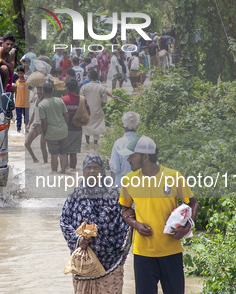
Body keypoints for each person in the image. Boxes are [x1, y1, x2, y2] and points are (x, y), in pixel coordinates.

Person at [119, 135, 199, 294]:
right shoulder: (128, 180)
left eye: (132, 155)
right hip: (143, 254)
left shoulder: (173, 177)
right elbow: (125, 209)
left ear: (145, 156)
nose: (128, 160)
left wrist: (186, 228)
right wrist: (136, 224)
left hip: (171, 251)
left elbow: (193, 203)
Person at [60, 153, 130, 294]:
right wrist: (78, 239)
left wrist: (119, 250)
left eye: (96, 167)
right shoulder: (76, 194)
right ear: (83, 171)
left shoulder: (115, 193)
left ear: (102, 171)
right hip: (83, 263)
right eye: (88, 167)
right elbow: (64, 221)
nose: (92, 171)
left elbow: (126, 223)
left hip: (111, 262)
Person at [39, 82, 69, 174]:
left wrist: (43, 134)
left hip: (51, 133)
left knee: (54, 154)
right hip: (63, 131)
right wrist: (64, 126)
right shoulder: (60, 100)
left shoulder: (42, 105)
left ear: (43, 91)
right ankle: (64, 171)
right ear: (53, 90)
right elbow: (66, 115)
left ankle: (54, 173)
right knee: (63, 152)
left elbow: (44, 122)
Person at [61, 79, 89, 171]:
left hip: (65, 130)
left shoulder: (63, 100)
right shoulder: (82, 100)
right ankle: (73, 171)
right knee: (73, 153)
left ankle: (64, 172)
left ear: (67, 88)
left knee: (64, 152)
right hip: (77, 129)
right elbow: (88, 113)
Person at [109, 112, 140, 186]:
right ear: (137, 125)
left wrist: (110, 162)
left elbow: (116, 168)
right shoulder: (144, 142)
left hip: (122, 185)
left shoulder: (118, 143)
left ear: (122, 124)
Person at [80, 70, 107, 146]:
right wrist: (100, 106)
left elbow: (81, 99)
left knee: (86, 126)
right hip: (98, 110)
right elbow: (104, 101)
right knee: (97, 126)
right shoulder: (101, 87)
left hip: (86, 110)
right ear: (97, 77)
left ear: (89, 77)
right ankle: (95, 143)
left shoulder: (84, 87)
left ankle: (87, 142)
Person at [25, 85, 48, 164]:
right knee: (27, 143)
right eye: (38, 89)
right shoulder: (36, 98)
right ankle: (35, 159)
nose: (39, 90)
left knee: (43, 146)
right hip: (36, 124)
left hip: (45, 125)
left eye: (41, 89)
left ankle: (46, 164)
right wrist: (29, 124)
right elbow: (34, 112)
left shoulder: (46, 100)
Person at [14, 66, 29, 133]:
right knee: (18, 118)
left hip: (26, 103)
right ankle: (18, 130)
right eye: (18, 73)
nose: (20, 75)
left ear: (24, 73)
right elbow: (15, 92)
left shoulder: (27, 83)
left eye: (21, 73)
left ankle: (27, 129)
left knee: (26, 118)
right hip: (18, 103)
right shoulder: (16, 82)